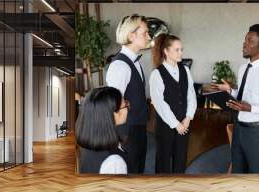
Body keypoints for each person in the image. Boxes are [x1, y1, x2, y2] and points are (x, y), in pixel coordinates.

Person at [213, 24, 259, 173]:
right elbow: (243, 96)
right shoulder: (242, 68)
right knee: (237, 173)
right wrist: (230, 91)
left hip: (257, 133)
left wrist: (251, 108)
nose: (244, 44)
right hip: (238, 129)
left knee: (256, 176)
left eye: (250, 41)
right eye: (245, 39)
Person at [106, 14, 151, 173]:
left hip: (138, 127)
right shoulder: (120, 65)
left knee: (138, 171)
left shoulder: (135, 62)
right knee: (129, 173)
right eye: (145, 33)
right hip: (127, 131)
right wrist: (117, 139)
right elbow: (113, 105)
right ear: (131, 35)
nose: (149, 36)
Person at [149, 34, 197, 173]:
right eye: (177, 50)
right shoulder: (157, 74)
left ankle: (178, 189)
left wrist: (188, 118)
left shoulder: (185, 70)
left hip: (185, 123)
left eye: (181, 49)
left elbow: (191, 95)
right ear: (166, 51)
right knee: (163, 162)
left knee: (180, 160)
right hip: (165, 126)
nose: (181, 53)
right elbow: (159, 103)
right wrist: (176, 124)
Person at [75, 87, 130, 174]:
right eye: (125, 104)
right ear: (113, 114)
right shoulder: (114, 162)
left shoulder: (90, 143)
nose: (128, 108)